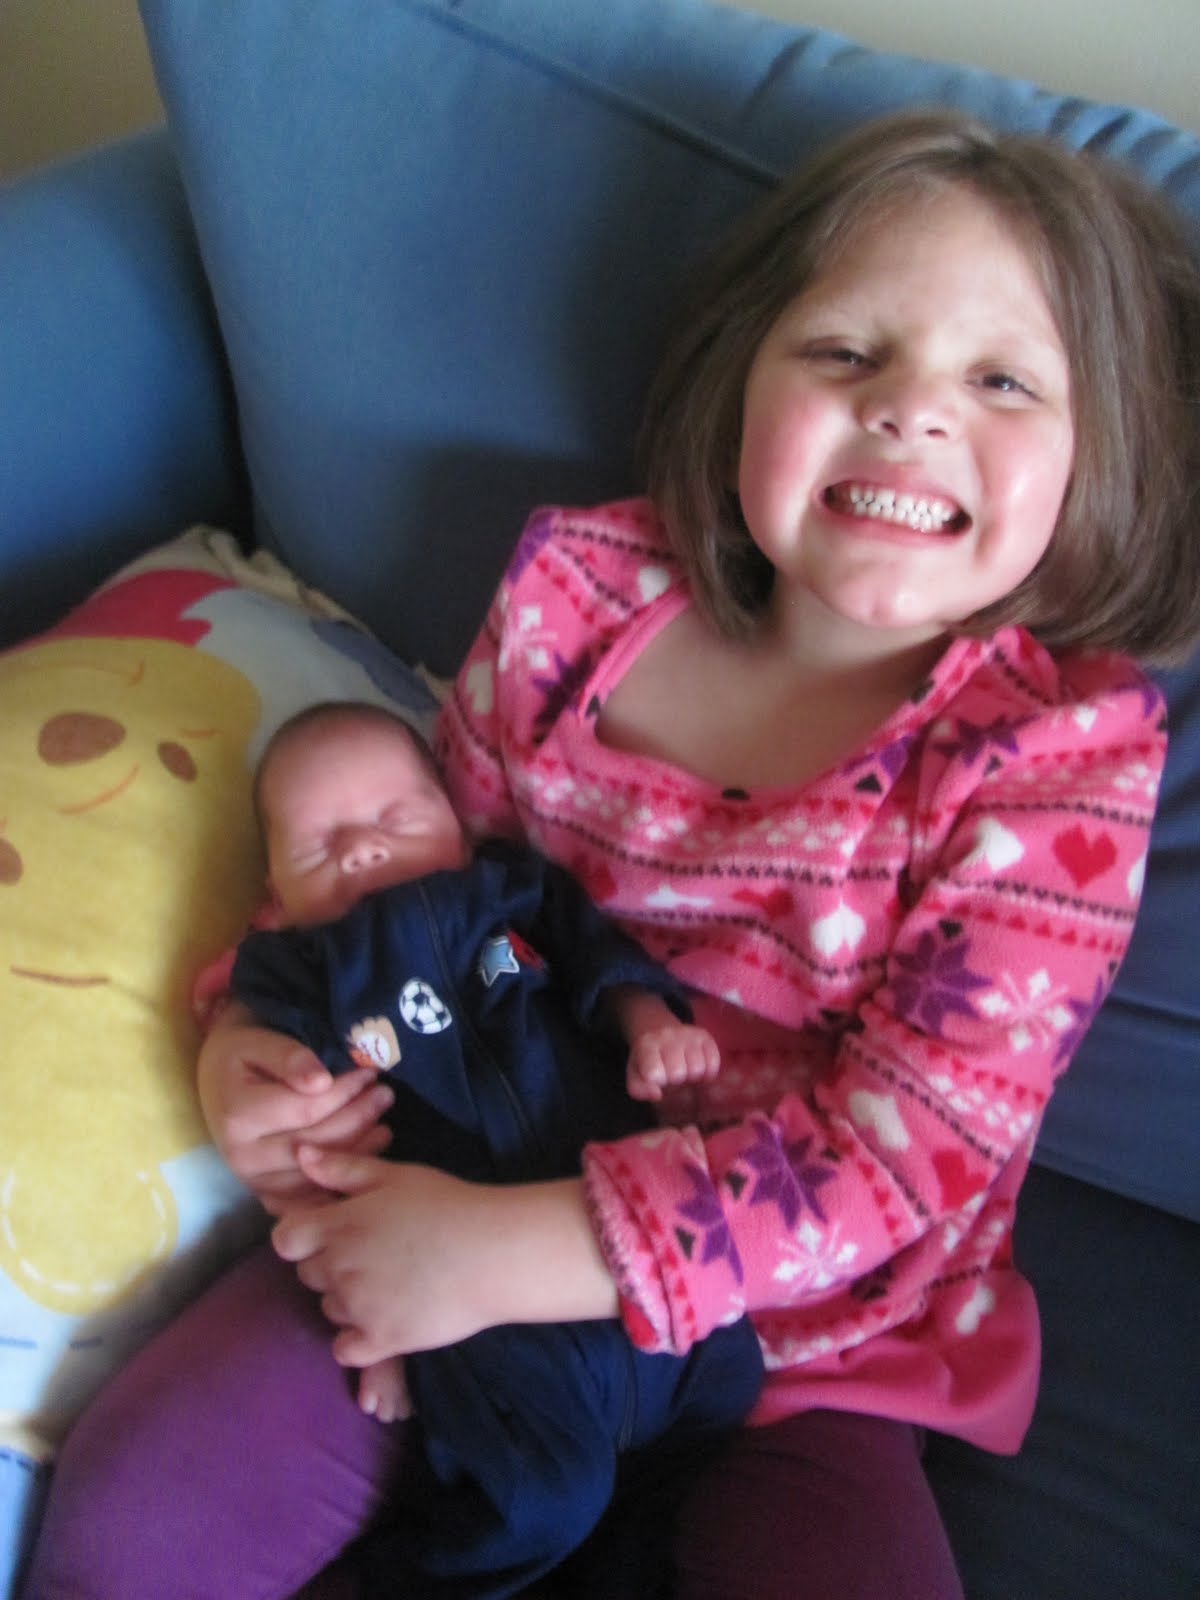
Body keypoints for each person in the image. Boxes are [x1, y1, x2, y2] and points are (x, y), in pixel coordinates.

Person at [26, 109, 1200, 1600]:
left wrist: (506, 1258)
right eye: (845, 352)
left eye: (1003, 380)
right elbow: (410, 893)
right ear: (738, 381)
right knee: (140, 1522)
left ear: (1103, 454)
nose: (909, 411)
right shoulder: (581, 595)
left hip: (805, 1354)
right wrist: (253, 1059)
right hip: (446, 1194)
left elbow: (907, 1159)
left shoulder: (1056, 760)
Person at [221, 698, 759, 1594]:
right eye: (319, 844)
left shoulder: (511, 890)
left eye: (395, 817)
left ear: (456, 826)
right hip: (475, 1307)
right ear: (274, 901)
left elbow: (595, 954)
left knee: (729, 1385)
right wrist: (374, 1332)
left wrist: (648, 1024)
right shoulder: (300, 972)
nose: (362, 848)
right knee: (542, 1495)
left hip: (611, 1237)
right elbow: (308, 1159)